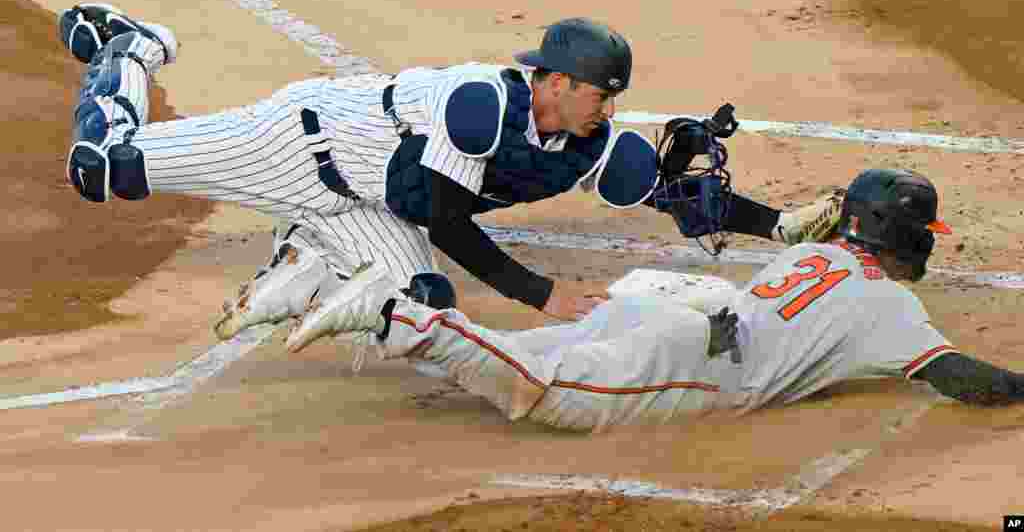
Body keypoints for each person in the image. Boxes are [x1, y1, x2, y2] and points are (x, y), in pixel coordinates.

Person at [60, 3, 838, 337]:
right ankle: (126, 47)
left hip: (370, 204)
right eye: (603, 92)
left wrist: (779, 224)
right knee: (101, 170)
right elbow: (440, 214)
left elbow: (677, 196)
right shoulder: (476, 106)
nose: (611, 106)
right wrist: (538, 293)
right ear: (558, 84)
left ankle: (307, 253)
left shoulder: (588, 141)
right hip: (296, 145)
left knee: (424, 304)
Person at [282, 168, 1024, 432]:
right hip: (691, 358)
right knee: (538, 390)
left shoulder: (812, 251)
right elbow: (957, 375)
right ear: (909, 237)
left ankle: (320, 287)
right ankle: (388, 311)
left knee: (502, 361)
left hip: (663, 314)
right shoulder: (890, 309)